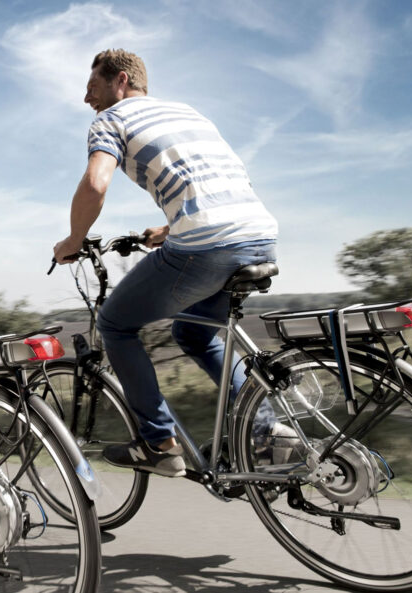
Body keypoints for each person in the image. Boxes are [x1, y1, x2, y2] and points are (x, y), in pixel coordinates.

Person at [53, 49, 286, 478]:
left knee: (115, 324)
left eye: (93, 88)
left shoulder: (112, 119)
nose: (88, 99)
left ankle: (158, 443)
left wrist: (74, 239)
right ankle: (266, 431)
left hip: (206, 245)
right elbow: (219, 178)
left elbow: (95, 183)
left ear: (121, 81)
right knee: (194, 333)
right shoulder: (188, 113)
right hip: (259, 234)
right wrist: (169, 227)